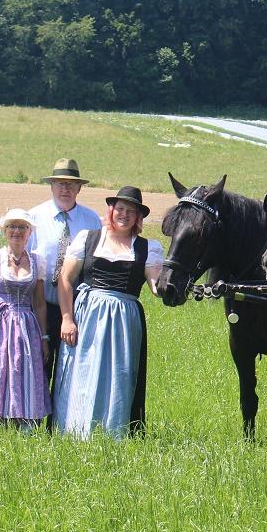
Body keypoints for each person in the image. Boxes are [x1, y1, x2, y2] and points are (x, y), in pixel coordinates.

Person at [52, 187, 162, 439]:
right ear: (110, 211)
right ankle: (73, 431)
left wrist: (172, 286)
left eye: (131, 211)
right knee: (82, 371)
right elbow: (65, 280)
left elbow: (156, 285)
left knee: (119, 374)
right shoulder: (87, 239)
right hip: (86, 315)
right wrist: (67, 319)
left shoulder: (148, 248)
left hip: (124, 320)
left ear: (138, 218)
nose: (124, 215)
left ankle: (112, 433)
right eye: (120, 209)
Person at [0, 209, 52, 436]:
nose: (17, 231)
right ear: (5, 230)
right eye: (12, 226)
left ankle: (26, 433)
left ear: (29, 232)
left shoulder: (37, 262)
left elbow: (40, 303)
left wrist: (44, 337)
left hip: (27, 327)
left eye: (22, 227)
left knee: (26, 373)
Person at [27, 158, 102, 406]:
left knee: (70, 367)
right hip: (40, 305)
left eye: (70, 184)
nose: (65, 189)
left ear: (79, 188)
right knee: (39, 363)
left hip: (76, 307)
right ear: (51, 186)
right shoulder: (34, 218)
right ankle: (35, 417)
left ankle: (62, 420)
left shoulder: (92, 221)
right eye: (60, 183)